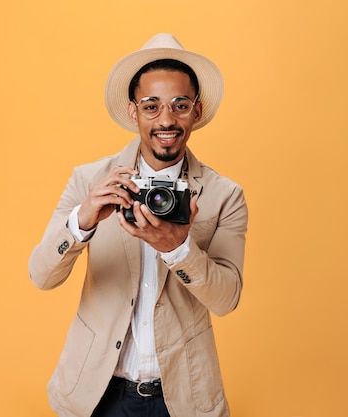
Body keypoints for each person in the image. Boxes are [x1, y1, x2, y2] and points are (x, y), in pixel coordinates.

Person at [29, 33, 248, 417]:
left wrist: (178, 249)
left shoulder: (224, 195)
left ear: (197, 111)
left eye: (180, 105)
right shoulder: (89, 180)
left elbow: (226, 299)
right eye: (152, 106)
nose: (167, 120)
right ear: (134, 112)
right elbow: (41, 276)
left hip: (182, 395)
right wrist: (82, 222)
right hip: (96, 391)